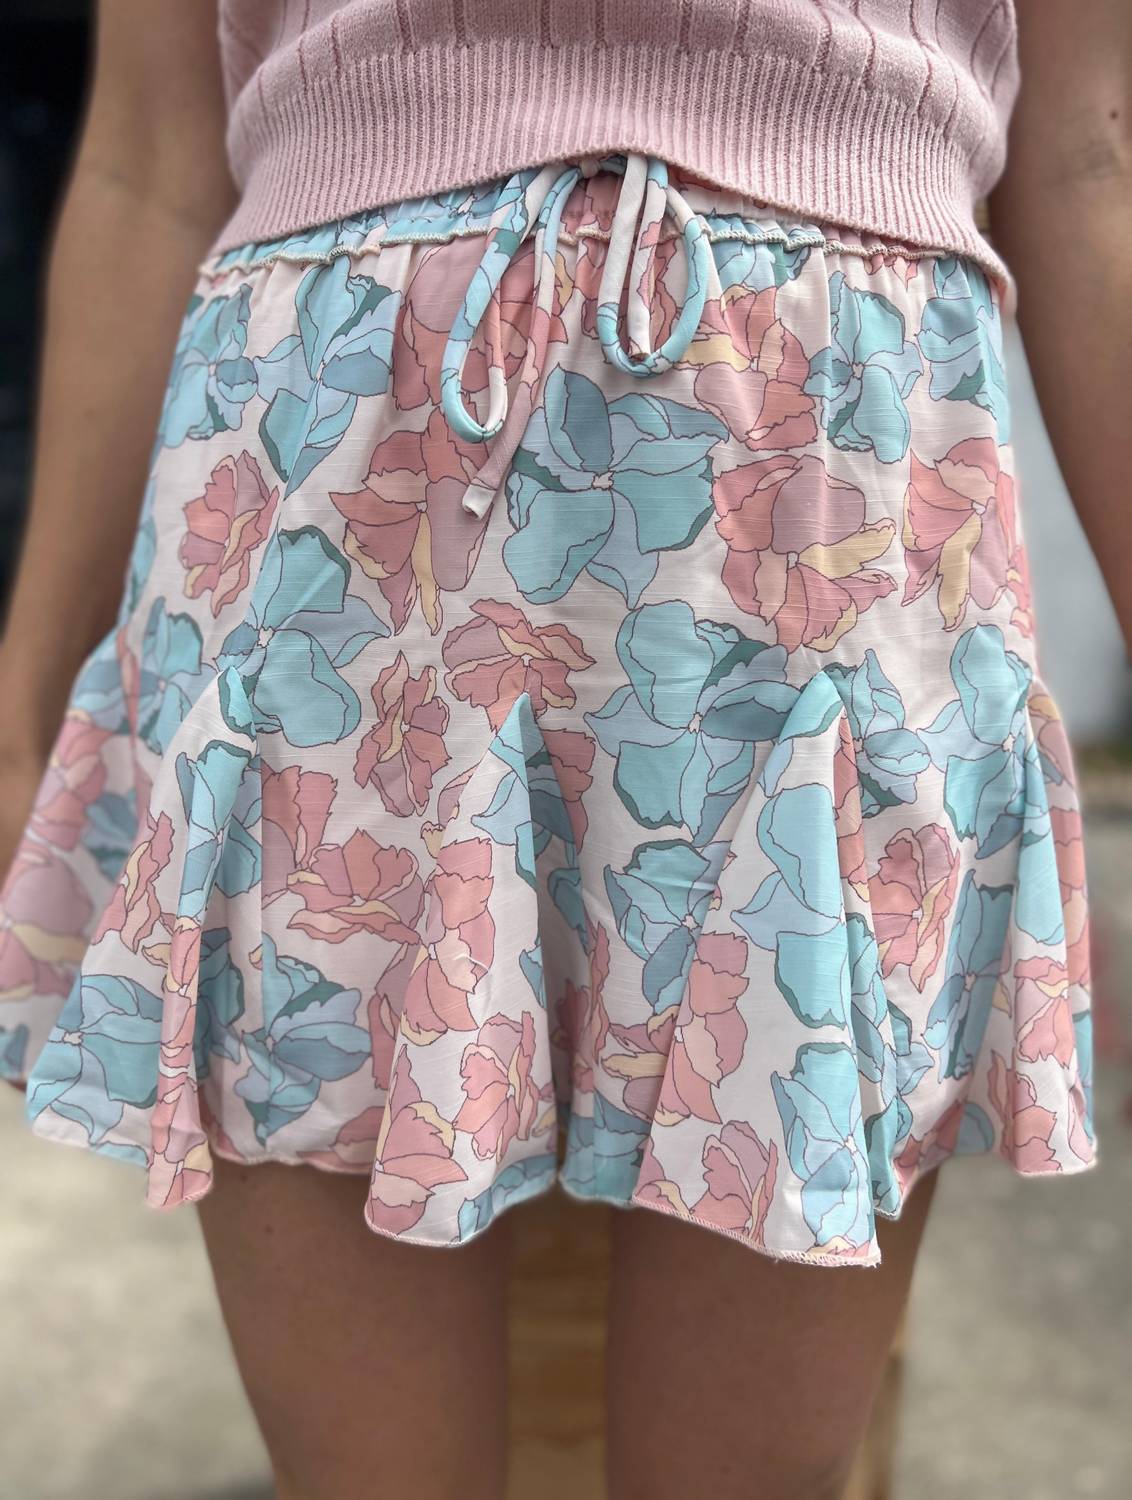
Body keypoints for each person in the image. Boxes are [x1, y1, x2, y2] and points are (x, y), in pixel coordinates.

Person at [0, 3, 1125, 1497]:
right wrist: (24, 692)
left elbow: (1087, 155)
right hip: (330, 520)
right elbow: (149, 163)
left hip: (829, 524)